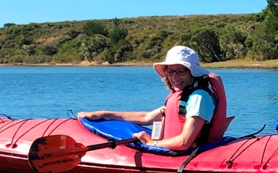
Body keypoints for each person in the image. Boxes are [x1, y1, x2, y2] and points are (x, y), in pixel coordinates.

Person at [78, 46, 228, 151]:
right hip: (172, 150)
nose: (174, 77)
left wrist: (152, 143)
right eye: (170, 71)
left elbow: (184, 142)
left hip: (188, 153)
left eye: (181, 71)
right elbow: (147, 117)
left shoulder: (198, 98)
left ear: (192, 72)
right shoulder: (182, 95)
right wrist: (103, 114)